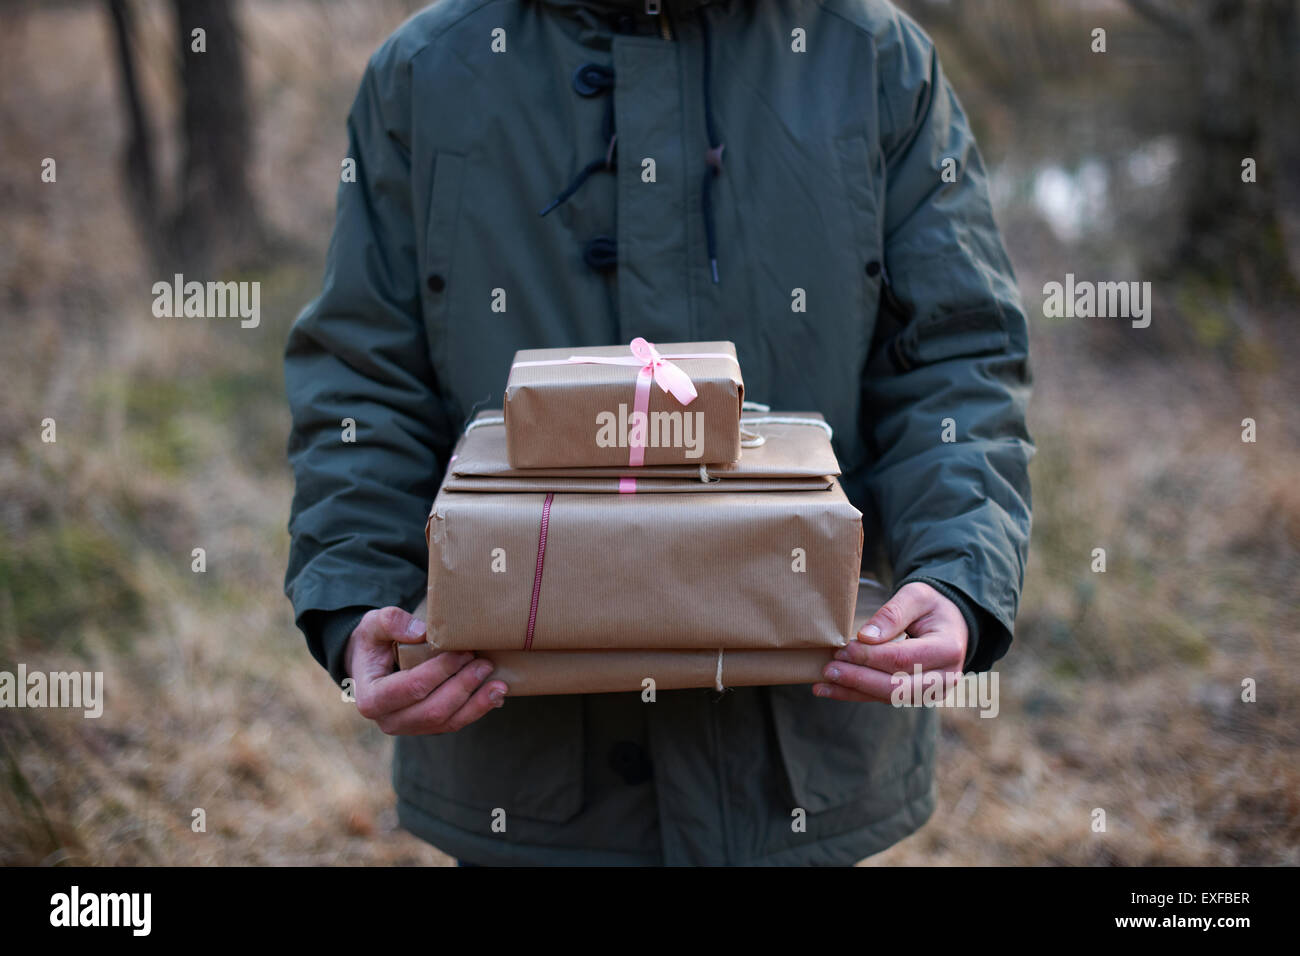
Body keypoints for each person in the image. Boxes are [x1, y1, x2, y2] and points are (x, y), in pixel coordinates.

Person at [284, 0, 1032, 866]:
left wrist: (960, 569)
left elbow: (954, 354)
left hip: (797, 765)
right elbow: (362, 378)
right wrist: (358, 597)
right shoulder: (426, 72)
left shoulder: (873, 58)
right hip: (525, 774)